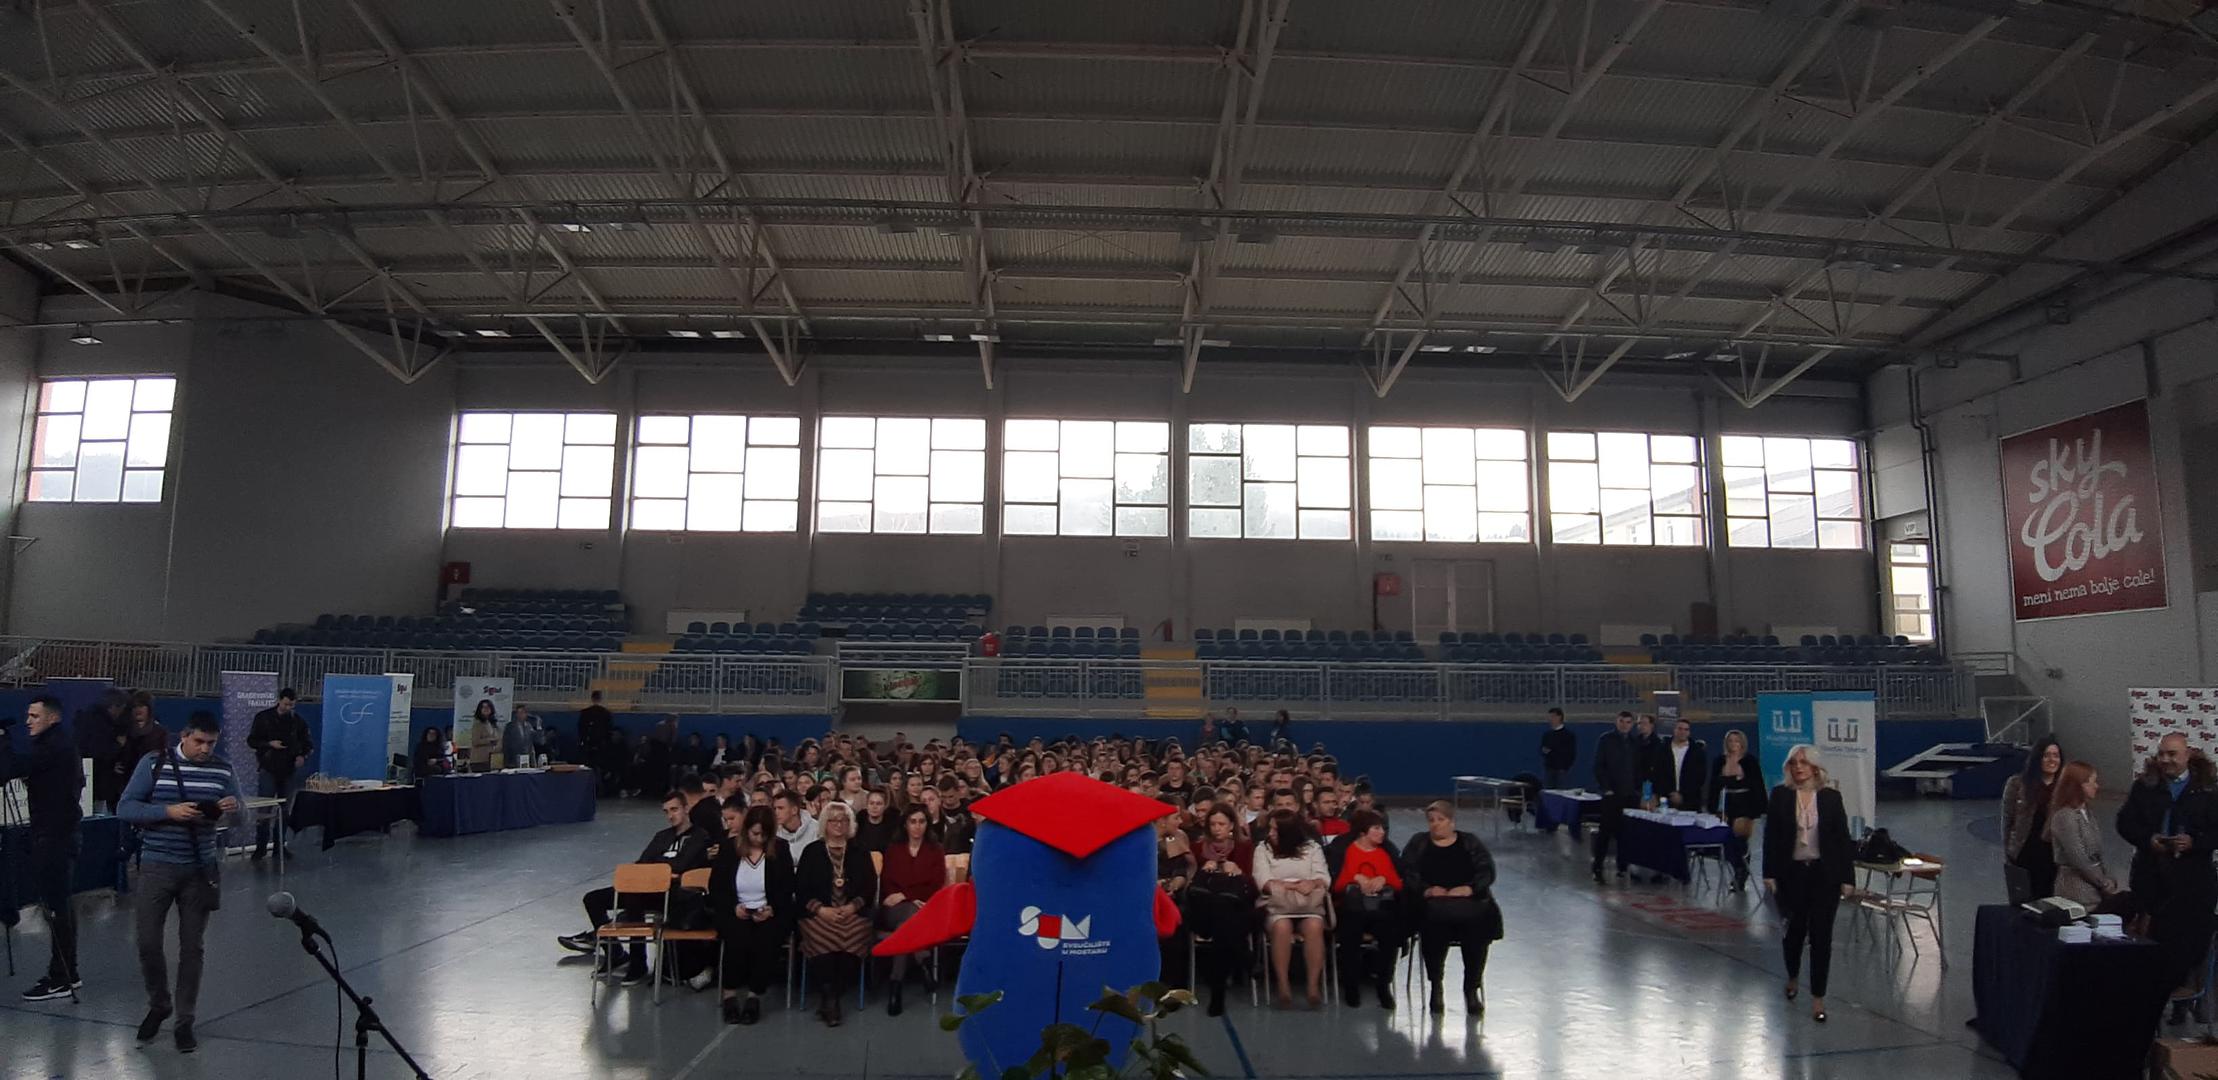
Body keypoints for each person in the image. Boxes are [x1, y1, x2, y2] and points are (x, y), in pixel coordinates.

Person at [117, 710, 243, 1053]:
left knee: (192, 947)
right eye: (199, 741)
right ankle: (159, 1003)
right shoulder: (153, 764)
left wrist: (232, 810)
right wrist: (168, 812)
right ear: (184, 736)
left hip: (199, 869)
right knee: (147, 941)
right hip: (157, 866)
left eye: (211, 743)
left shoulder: (223, 770)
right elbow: (125, 808)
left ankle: (185, 1020)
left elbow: (241, 818)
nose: (205, 749)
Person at [556, 791, 710, 984]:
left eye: (674, 809)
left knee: (634, 897)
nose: (670, 815)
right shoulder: (662, 836)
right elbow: (642, 863)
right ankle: (615, 953)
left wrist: (660, 870)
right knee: (593, 899)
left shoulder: (699, 836)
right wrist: (661, 870)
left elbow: (682, 865)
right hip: (643, 886)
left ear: (686, 809)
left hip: (671, 893)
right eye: (666, 811)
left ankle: (639, 963)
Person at [2117, 732, 2218, 1018]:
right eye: (2161, 753)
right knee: (2151, 945)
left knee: (2189, 945)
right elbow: (2125, 823)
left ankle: (2185, 1000)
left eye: (2172, 754)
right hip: (2151, 881)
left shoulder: (2209, 790)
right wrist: (2148, 840)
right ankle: (2150, 1005)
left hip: (2194, 885)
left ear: (2187, 755)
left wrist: (2195, 843)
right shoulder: (2144, 786)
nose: (2165, 759)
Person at [1, 697, 84, 1002]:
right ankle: (67, 971)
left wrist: (3, 741)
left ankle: (62, 976)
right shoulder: (59, 745)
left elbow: (7, 769)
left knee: (57, 907)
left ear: (52, 718)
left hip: (54, 837)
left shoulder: (53, 748)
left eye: (34, 716)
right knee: (61, 905)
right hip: (60, 833)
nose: (28, 721)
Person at [1763, 744, 1853, 1024]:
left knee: (1821, 938)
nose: (1799, 767)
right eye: (1794, 763)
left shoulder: (1830, 798)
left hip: (1824, 876)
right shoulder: (1780, 795)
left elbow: (1842, 839)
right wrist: (1769, 873)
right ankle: (1792, 975)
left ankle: (1818, 997)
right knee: (1794, 934)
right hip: (1791, 875)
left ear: (1815, 768)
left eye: (1803, 762)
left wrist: (1847, 878)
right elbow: (1771, 836)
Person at [1398, 801, 1499, 1015]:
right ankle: (1436, 985)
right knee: (1433, 926)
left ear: (1452, 822)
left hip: (1468, 903)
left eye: (1440, 820)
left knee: (1477, 930)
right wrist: (1426, 890)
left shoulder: (1470, 842)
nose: (1435, 824)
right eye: (1431, 820)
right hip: (1432, 905)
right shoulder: (1418, 843)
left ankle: (1471, 988)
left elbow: (1486, 870)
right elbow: (1407, 871)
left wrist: (1470, 888)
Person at [710, 803, 795, 1025]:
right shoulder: (729, 849)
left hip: (768, 911)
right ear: (746, 830)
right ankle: (729, 994)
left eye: (763, 835)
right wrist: (733, 907)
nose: (758, 839)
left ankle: (754, 995)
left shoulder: (780, 849)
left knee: (767, 940)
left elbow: (787, 887)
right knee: (736, 938)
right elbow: (717, 886)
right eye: (755, 833)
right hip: (735, 909)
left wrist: (771, 908)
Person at [795, 801, 876, 1026]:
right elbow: (801, 889)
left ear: (850, 824)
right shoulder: (812, 851)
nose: (839, 825)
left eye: (843, 820)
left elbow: (870, 887)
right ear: (824, 823)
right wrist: (821, 910)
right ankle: (830, 997)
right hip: (819, 914)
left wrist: (852, 907)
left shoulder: (860, 851)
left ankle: (831, 996)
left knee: (855, 933)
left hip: (853, 913)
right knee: (822, 935)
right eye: (833, 820)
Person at [1253, 808, 1330, 1009]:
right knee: (1282, 927)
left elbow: (1324, 877)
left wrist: (1313, 883)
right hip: (1277, 906)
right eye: (1270, 829)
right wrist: (1292, 886)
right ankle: (1283, 985)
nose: (1270, 833)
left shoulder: (1312, 848)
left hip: (1308, 904)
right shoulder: (1263, 849)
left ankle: (1313, 987)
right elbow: (1263, 881)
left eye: (1275, 830)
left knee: (1314, 926)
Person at [1187, 803, 1256, 1016]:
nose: (1217, 828)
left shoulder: (1244, 848)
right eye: (1213, 824)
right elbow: (1192, 887)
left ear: (1231, 825)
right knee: (1223, 921)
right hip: (1203, 912)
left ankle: (1218, 996)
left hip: (1233, 910)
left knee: (1224, 925)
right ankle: (1244, 957)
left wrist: (1239, 872)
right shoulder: (1197, 848)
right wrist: (1203, 870)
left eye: (1222, 824)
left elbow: (1252, 887)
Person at [1328, 807, 1400, 1009]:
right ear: (1362, 832)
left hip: (1380, 908)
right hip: (1352, 908)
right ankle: (1351, 986)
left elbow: (1397, 883)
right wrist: (1355, 878)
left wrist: (1383, 878)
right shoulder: (1348, 851)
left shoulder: (1384, 853)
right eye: (1376, 828)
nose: (1382, 832)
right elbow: (1338, 885)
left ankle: (1383, 985)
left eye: (1382, 828)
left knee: (1390, 933)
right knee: (1351, 930)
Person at [879, 807, 948, 1016]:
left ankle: (895, 986)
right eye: (913, 821)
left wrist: (906, 895)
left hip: (924, 908)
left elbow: (936, 884)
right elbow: (887, 883)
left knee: (906, 926)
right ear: (905, 824)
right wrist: (908, 897)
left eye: (921, 821)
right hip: (894, 909)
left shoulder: (935, 850)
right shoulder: (894, 850)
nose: (917, 826)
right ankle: (923, 960)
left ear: (927, 824)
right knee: (909, 916)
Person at [246, 688, 313, 862]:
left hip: (289, 770)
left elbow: (307, 743)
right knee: (264, 809)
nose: (288, 708)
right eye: (285, 704)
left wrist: (302, 756)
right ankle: (260, 847)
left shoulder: (298, 721)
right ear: (279, 700)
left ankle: (279, 846)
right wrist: (269, 744)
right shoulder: (263, 718)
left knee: (285, 810)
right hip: (268, 768)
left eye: (291, 705)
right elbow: (251, 741)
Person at [2001, 737, 2064, 904]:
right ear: (2037, 758)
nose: (2052, 760)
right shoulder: (2016, 784)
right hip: (2024, 853)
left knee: (2050, 903)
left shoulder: (2064, 787)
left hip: (2053, 856)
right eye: (2046, 755)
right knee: (2024, 902)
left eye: (2056, 755)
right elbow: (2007, 821)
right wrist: (2008, 852)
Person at [2047, 761, 2117, 908]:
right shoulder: (2065, 817)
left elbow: (2097, 854)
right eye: (2092, 782)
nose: (2097, 786)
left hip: (2095, 890)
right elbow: (2079, 858)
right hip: (2076, 893)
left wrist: (2109, 878)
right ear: (2079, 786)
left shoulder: (2087, 813)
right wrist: (2103, 882)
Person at [1706, 729, 1765, 891]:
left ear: (1742, 743)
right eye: (1730, 741)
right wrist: (1712, 807)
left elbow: (1756, 784)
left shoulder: (1749, 761)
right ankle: (1737, 867)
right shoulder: (1720, 761)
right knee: (1727, 838)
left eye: (1736, 741)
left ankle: (1741, 872)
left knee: (1740, 839)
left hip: (1745, 803)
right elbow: (1714, 784)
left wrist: (1758, 808)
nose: (1733, 744)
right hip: (1726, 803)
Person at [1591, 711, 1641, 883]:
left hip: (1630, 795)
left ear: (1632, 724)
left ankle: (1623, 866)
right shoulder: (1606, 740)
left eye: (1628, 722)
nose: (1624, 725)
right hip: (1612, 794)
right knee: (1605, 831)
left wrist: (1638, 790)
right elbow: (1599, 766)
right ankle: (1598, 867)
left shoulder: (1635, 742)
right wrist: (1606, 788)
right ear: (1616, 722)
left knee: (1626, 833)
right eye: (1621, 721)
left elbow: (1638, 768)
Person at [1156, 810, 1197, 989]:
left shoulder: (1174, 841)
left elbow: (1181, 872)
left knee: (1178, 916)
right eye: (1176, 818)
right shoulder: (1142, 842)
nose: (1180, 822)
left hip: (1171, 897)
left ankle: (1175, 985)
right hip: (1147, 897)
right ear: (1162, 820)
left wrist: (1173, 885)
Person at [74, 690, 130, 812]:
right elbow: (99, 751)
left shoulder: (87, 718)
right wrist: (118, 746)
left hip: (86, 775)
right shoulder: (103, 725)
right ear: (114, 707)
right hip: (98, 779)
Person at [1661, 719, 1708, 812]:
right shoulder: (1662, 749)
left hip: (1691, 802)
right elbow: (1659, 773)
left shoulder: (1697, 751)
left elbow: (1700, 777)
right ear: (1674, 730)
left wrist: (1683, 795)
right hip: (1665, 801)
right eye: (1680, 729)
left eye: (1686, 729)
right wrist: (1670, 793)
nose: (1683, 732)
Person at [1539, 707, 1576, 790]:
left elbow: (1571, 753)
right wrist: (1545, 751)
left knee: (1561, 792)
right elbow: (1543, 749)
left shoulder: (1568, 735)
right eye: (1549, 717)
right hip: (1549, 770)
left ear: (1559, 717)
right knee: (1548, 792)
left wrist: (1565, 767)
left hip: (1562, 770)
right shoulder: (1547, 735)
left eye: (1552, 716)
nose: (1550, 719)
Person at [578, 690, 614, 764]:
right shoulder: (606, 713)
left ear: (592, 698)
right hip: (601, 742)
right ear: (601, 699)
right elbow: (609, 729)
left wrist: (583, 740)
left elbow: (581, 728)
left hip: (589, 742)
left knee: (588, 762)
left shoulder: (585, 712)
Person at [466, 699, 501, 769]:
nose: (486, 709)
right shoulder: (478, 724)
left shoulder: (492, 724)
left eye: (488, 707)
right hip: (479, 760)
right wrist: (490, 741)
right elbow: (475, 741)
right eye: (483, 707)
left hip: (491, 759)